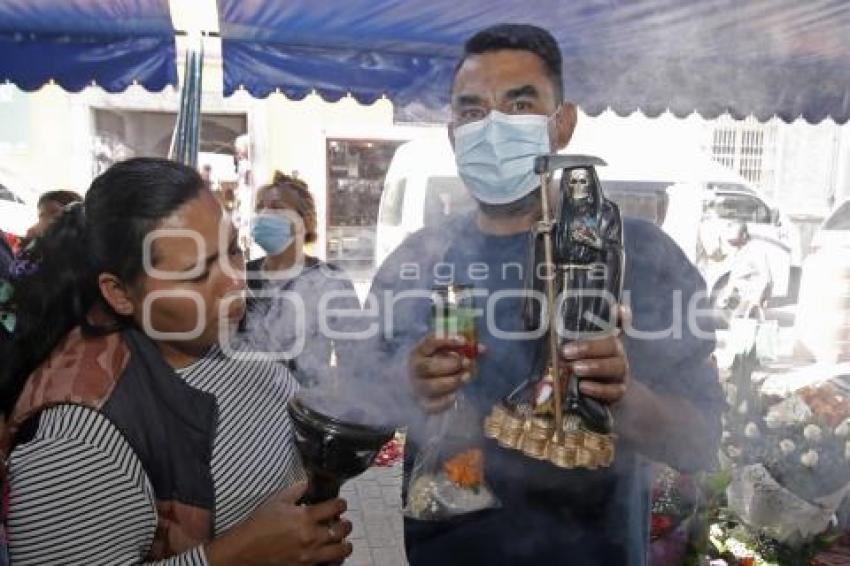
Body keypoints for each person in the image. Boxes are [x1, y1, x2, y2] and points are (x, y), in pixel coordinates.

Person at [366, 24, 723, 565]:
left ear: (563, 125)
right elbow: (357, 417)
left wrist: (622, 396)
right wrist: (405, 384)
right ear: (452, 133)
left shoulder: (638, 259)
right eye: (472, 110)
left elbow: (700, 443)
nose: (493, 128)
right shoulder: (415, 264)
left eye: (520, 104)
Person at [0, 158, 353, 565]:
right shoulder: (75, 442)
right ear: (119, 293)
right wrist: (233, 557)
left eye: (233, 250)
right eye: (199, 273)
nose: (237, 280)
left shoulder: (222, 337)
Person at [244, 171, 360, 386]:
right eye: (260, 207)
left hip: (305, 406)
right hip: (248, 407)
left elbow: (353, 360)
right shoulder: (241, 278)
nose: (264, 214)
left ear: (304, 222)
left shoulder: (330, 282)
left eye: (277, 207)